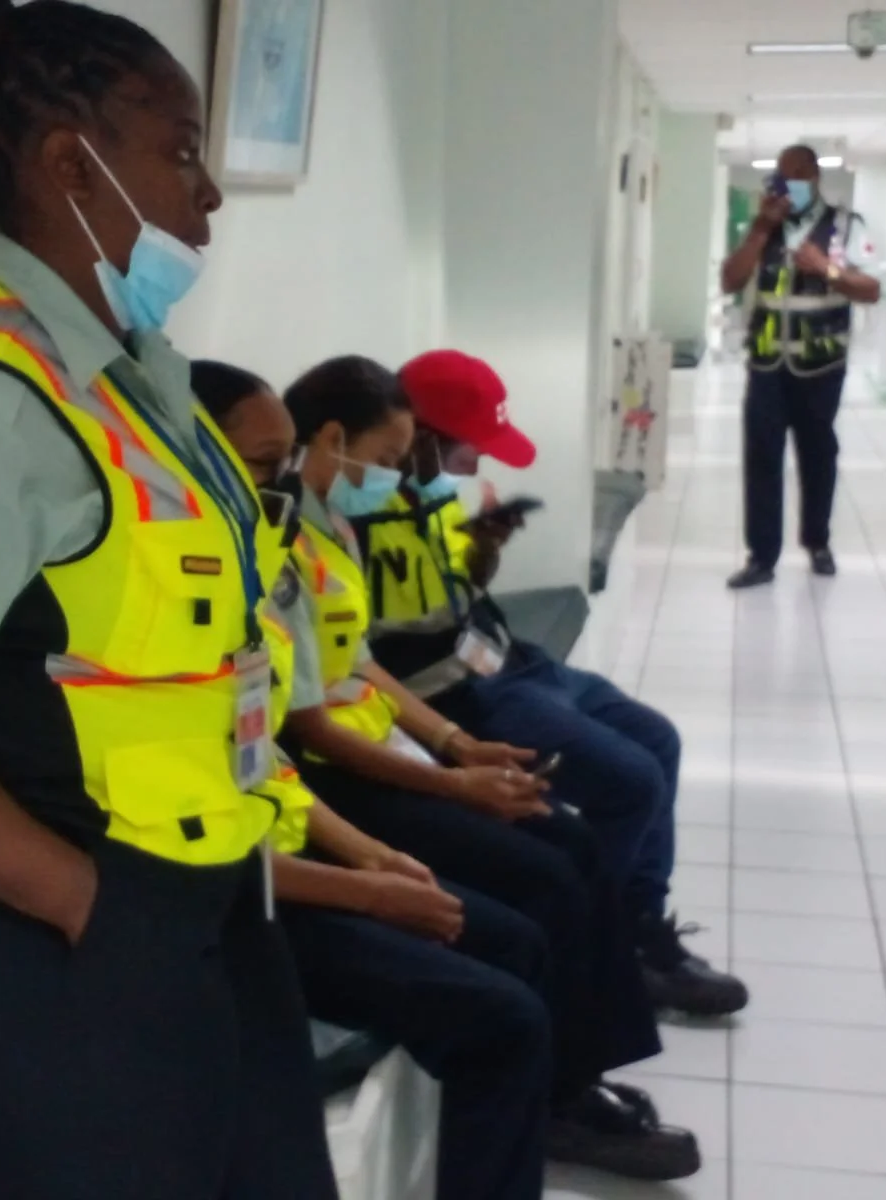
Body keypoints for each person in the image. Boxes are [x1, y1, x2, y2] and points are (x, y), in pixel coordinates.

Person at [0, 4, 337, 1197]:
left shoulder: (142, 388)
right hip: (42, 935)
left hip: (195, 896)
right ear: (68, 165)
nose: (210, 196)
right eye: (181, 152)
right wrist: (95, 911)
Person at [246, 355, 703, 1181]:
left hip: (381, 753)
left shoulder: (323, 531)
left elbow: (358, 667)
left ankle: (577, 1076)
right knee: (543, 883)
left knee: (568, 844)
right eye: (387, 460)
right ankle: (563, 1095)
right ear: (333, 438)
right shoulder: (268, 554)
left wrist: (457, 749)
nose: (396, 478)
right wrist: (449, 784)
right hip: (336, 779)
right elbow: (307, 724)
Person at [195, 358, 557, 1200]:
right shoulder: (175, 620)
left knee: (522, 932)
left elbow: (267, 762)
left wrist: (372, 858)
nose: (281, 485)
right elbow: (185, 844)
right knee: (505, 1013)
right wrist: (364, 885)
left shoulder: (255, 575)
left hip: (295, 849)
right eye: (260, 464)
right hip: (245, 902)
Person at [350, 349, 749, 1018]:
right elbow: (361, 654)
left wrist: (484, 551)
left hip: (510, 661)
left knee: (660, 740)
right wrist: (447, 736)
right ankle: (603, 952)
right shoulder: (352, 517)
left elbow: (454, 595)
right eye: (468, 445)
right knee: (631, 783)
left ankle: (639, 929)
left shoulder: (435, 496)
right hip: (459, 697)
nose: (478, 461)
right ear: (418, 436)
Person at [723, 143, 882, 588]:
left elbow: (870, 288)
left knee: (818, 456)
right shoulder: (764, 227)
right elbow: (730, 279)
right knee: (761, 460)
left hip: (820, 366)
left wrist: (828, 270)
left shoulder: (847, 227)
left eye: (798, 174)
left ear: (815, 178)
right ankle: (762, 557)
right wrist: (759, 228)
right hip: (767, 365)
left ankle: (818, 542)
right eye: (782, 174)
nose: (789, 183)